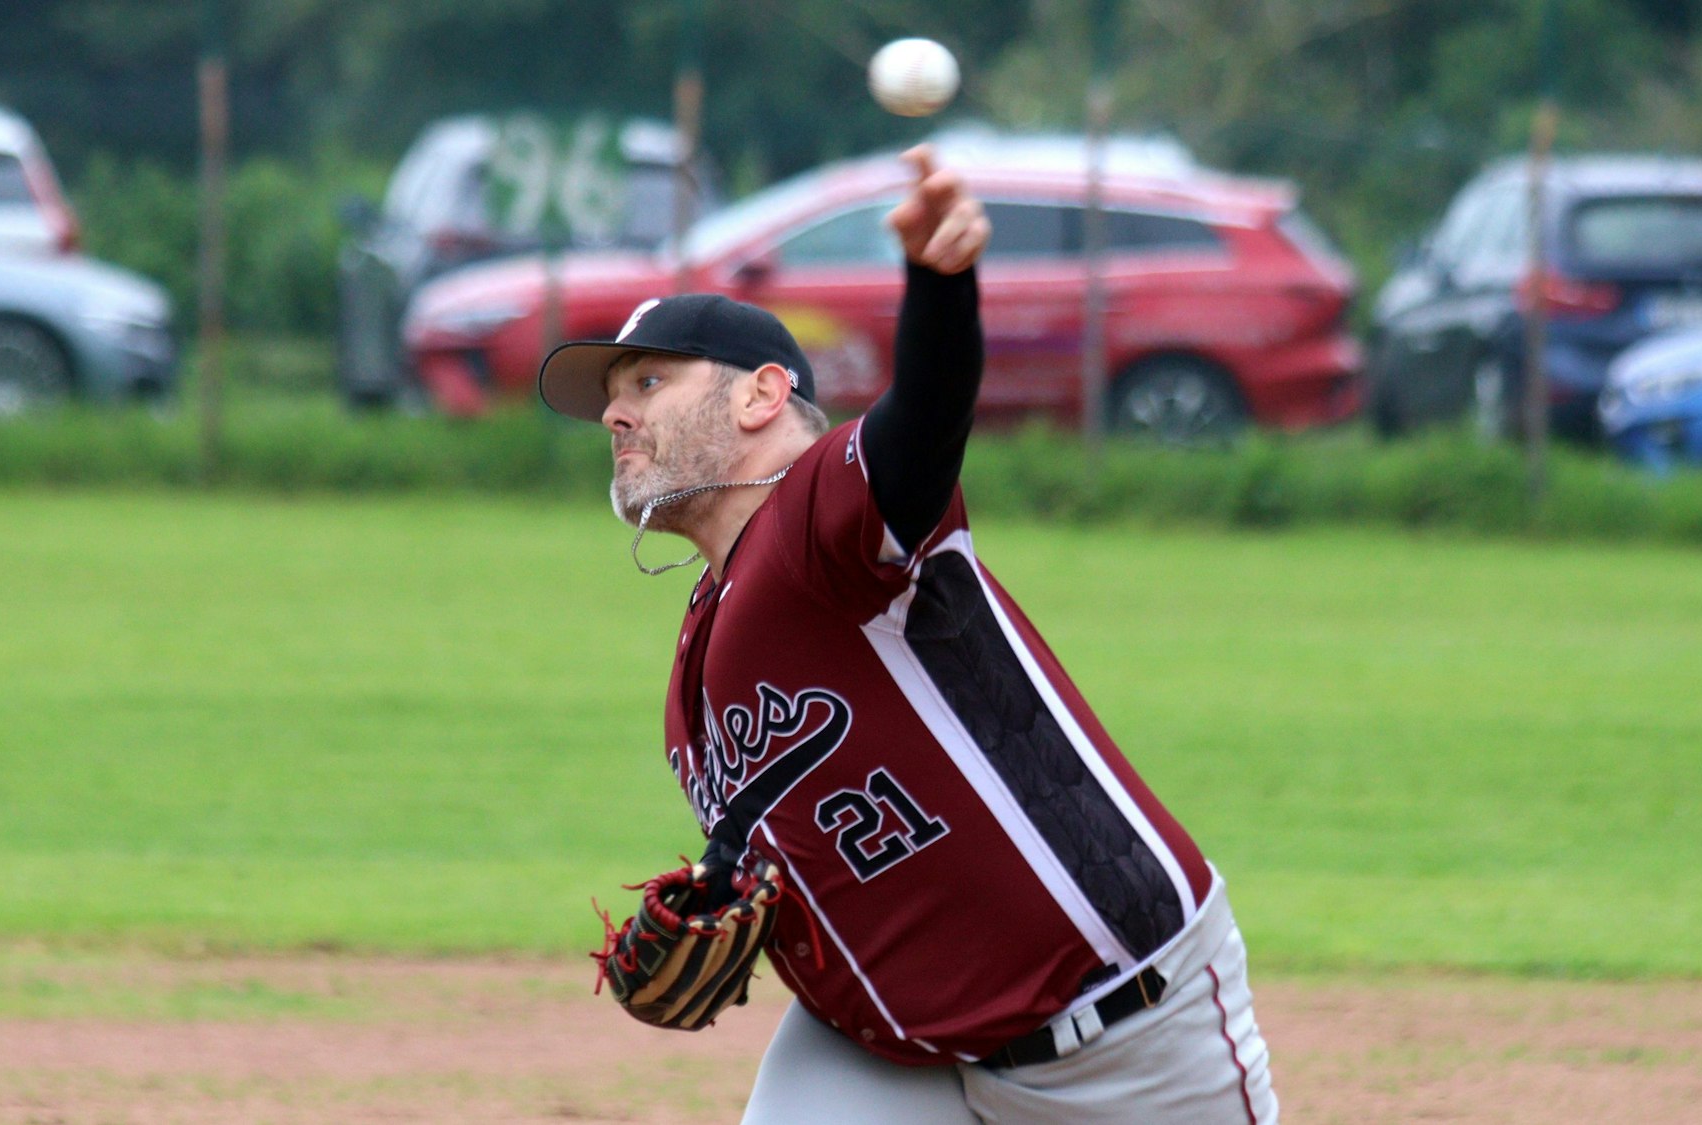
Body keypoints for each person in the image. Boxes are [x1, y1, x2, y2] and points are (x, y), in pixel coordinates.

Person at [538, 145, 1279, 1125]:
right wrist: (730, 888)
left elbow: (924, 420)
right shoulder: (700, 644)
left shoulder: (825, 516)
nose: (615, 414)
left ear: (760, 395)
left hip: (1120, 1038)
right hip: (891, 1049)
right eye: (609, 396)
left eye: (647, 383)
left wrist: (937, 286)